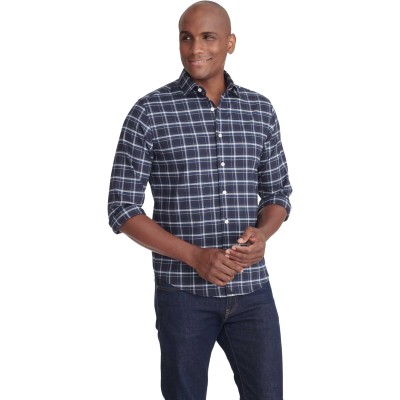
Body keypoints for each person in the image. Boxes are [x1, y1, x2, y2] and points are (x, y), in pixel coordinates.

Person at [108, 1, 292, 399]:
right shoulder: (149, 112)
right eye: (186, 38)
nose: (195, 49)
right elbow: (122, 208)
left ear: (230, 42)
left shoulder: (260, 110)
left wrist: (263, 233)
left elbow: (278, 193)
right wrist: (195, 257)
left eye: (208, 37)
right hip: (182, 296)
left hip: (252, 292)